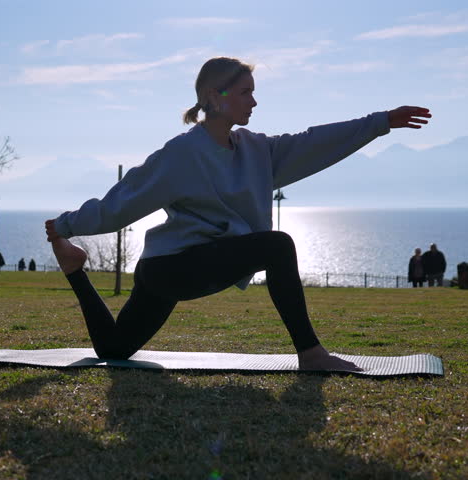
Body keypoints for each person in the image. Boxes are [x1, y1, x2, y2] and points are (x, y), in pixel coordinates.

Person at [44, 57, 431, 371]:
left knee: (114, 349)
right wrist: (65, 225)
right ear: (216, 95)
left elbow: (313, 143)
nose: (254, 101)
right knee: (277, 246)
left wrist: (381, 123)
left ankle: (75, 270)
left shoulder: (255, 150)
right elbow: (120, 206)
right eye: (246, 92)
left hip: (191, 264)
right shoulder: (182, 155)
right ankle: (311, 354)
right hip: (169, 268)